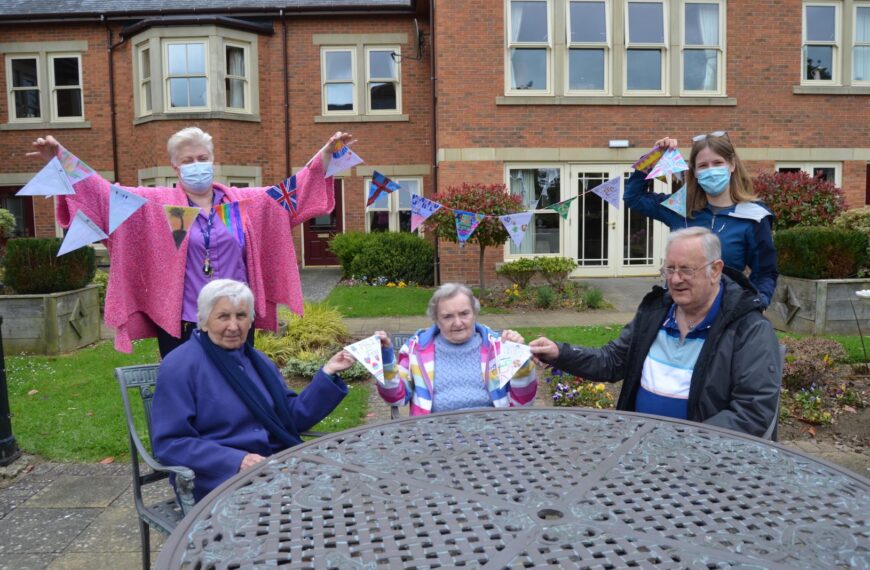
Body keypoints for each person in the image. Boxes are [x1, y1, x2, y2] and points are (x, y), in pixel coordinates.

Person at [27, 128, 354, 356]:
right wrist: (62, 161)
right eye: (187, 160)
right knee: (188, 396)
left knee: (238, 393)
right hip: (182, 322)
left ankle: (238, 453)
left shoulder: (249, 202)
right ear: (175, 166)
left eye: (202, 157)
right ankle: (192, 453)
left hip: (237, 320)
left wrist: (326, 156)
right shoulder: (153, 204)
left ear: (213, 160)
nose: (196, 165)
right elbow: (102, 194)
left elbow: (293, 191)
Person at [529, 227, 782, 438]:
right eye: (669, 269)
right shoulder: (656, 312)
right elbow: (612, 361)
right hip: (640, 452)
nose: (675, 280)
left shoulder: (749, 329)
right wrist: (559, 353)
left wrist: (684, 445)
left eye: (686, 269)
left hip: (709, 470)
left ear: (715, 270)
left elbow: (753, 411)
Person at [150, 279, 354, 502]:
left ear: (251, 321)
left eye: (241, 316)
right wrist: (236, 460)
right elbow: (170, 443)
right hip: (218, 479)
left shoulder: (258, 362)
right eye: (223, 316)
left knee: (347, 490)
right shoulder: (180, 366)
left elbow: (290, 418)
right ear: (204, 321)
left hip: (275, 466)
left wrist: (327, 373)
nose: (234, 326)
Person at [623, 131, 778, 307]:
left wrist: (758, 305)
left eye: (718, 163)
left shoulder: (753, 217)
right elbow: (633, 197)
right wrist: (654, 156)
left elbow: (765, 272)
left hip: (726, 317)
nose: (711, 170)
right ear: (694, 172)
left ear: (732, 165)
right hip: (676, 313)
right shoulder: (680, 209)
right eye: (703, 165)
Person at [374, 283, 537, 415]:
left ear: (475, 314)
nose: (458, 323)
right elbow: (396, 398)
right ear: (436, 320)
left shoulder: (498, 346)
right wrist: (385, 359)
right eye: (448, 316)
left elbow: (524, 401)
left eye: (464, 313)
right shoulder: (416, 350)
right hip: (433, 438)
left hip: (495, 434)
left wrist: (520, 358)